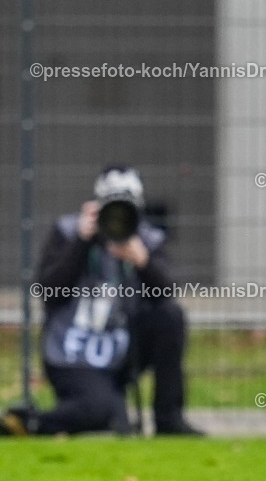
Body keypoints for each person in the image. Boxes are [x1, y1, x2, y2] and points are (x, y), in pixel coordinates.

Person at [0, 166, 203, 437]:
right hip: (74, 354)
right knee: (104, 411)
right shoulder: (68, 231)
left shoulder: (146, 239)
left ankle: (169, 418)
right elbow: (49, 291)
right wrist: (81, 242)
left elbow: (166, 293)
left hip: (122, 350)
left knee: (169, 315)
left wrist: (143, 262)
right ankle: (28, 422)